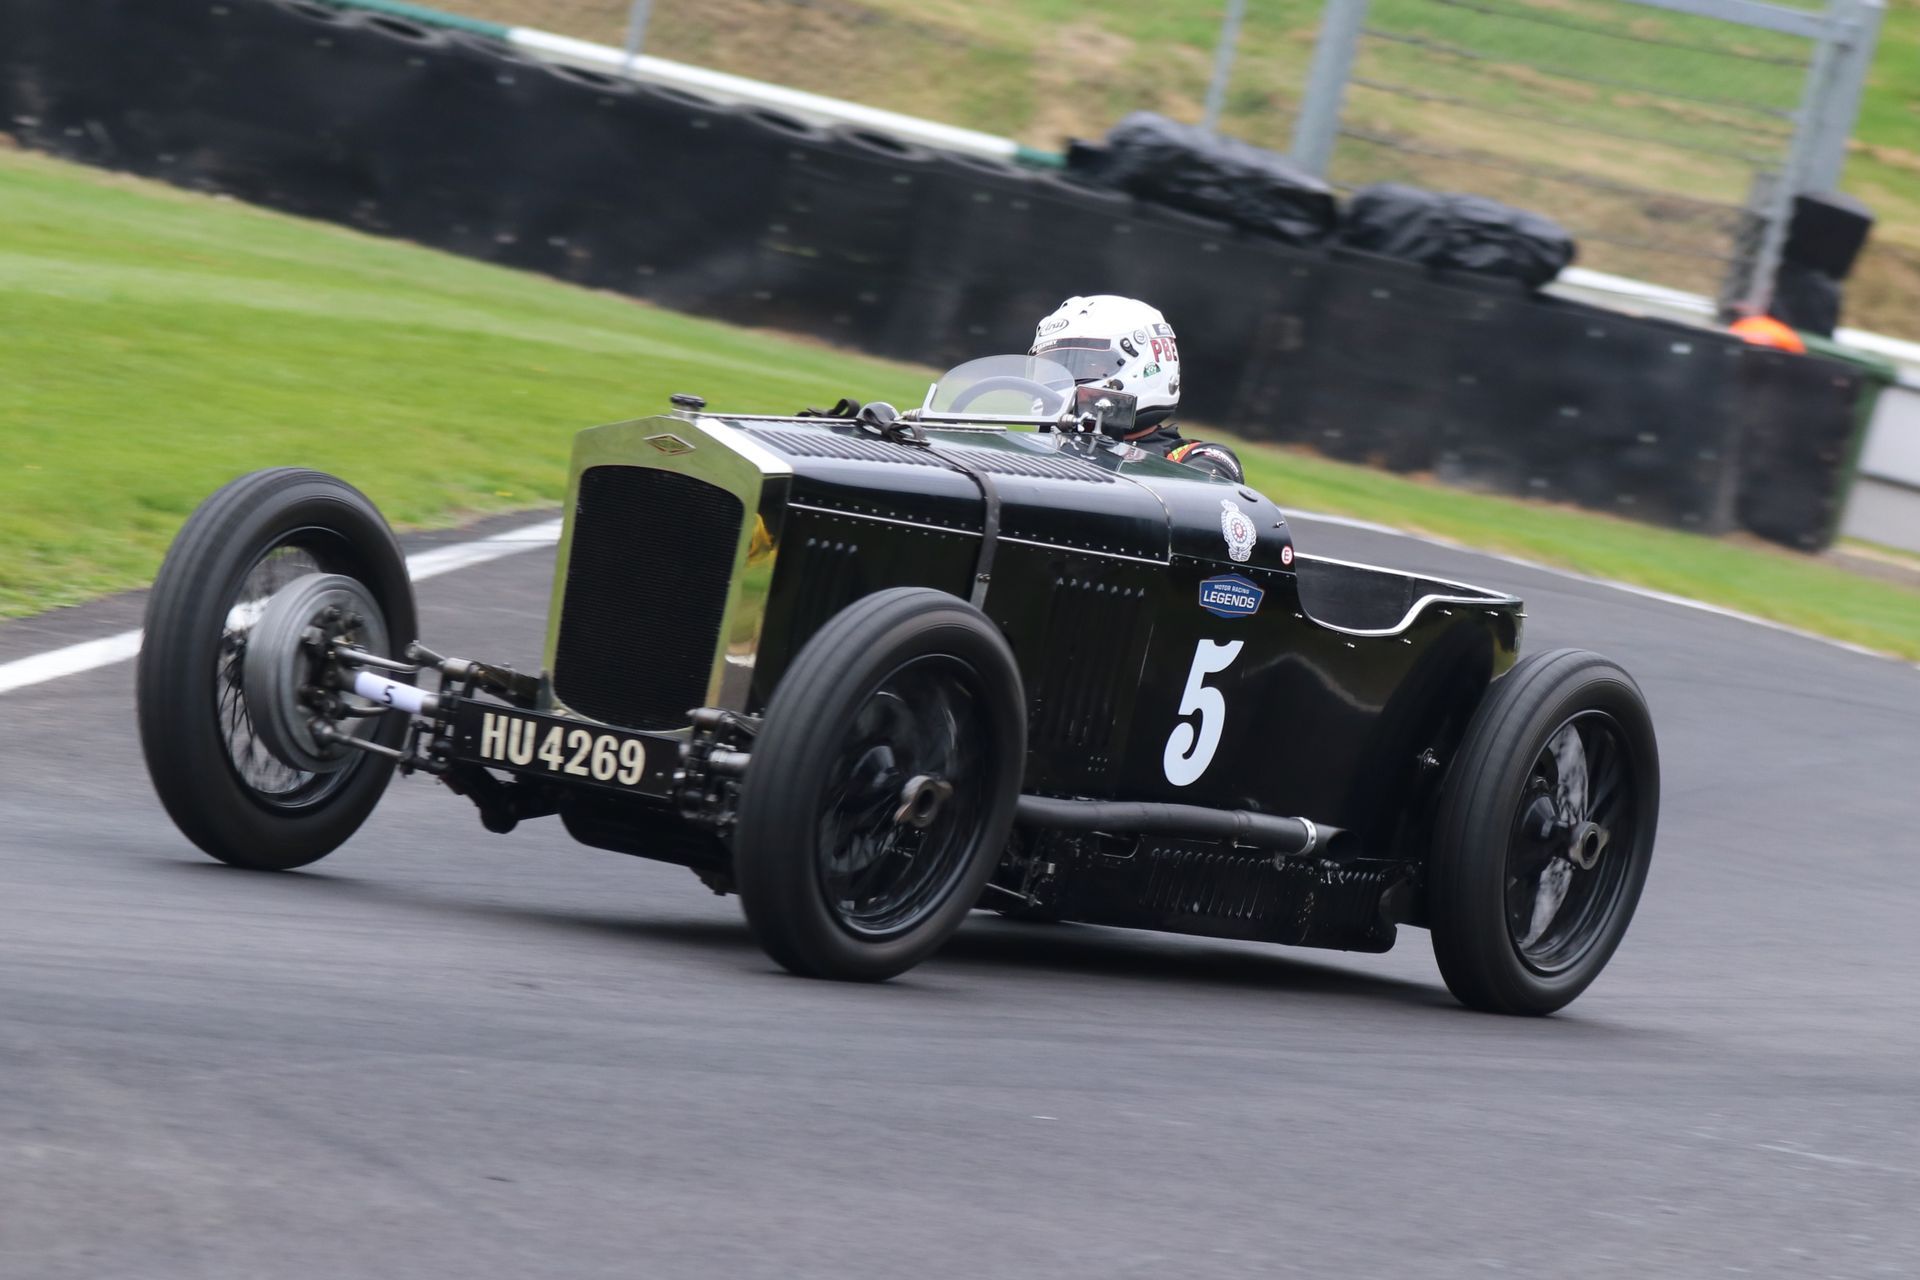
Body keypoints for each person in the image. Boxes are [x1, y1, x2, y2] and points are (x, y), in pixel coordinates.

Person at [1029, 294, 1245, 483]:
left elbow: (1201, 497)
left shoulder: (1197, 458)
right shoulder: (1035, 448)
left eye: (1090, 364)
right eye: (1055, 367)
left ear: (1147, 365)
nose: (1065, 379)